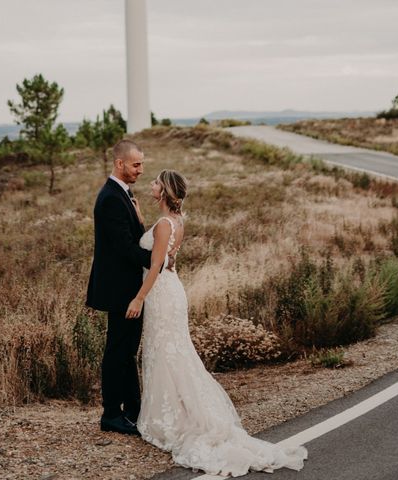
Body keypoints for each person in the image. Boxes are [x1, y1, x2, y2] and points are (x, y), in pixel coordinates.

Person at [127, 169, 308, 477]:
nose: (151, 184)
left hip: (159, 293)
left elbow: (156, 264)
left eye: (156, 182)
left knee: (167, 354)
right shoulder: (174, 222)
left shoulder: (163, 226)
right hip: (172, 292)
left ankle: (174, 419)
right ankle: (178, 412)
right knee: (172, 353)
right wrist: (141, 218)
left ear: (165, 191)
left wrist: (138, 299)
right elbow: (161, 250)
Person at [86, 139, 151, 436]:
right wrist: (158, 261)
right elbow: (125, 247)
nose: (140, 169)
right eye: (136, 164)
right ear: (120, 164)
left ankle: (133, 409)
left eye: (141, 164)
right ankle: (111, 413)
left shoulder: (122, 194)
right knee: (117, 352)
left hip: (126, 286)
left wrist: (139, 219)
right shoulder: (111, 198)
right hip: (119, 289)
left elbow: (132, 236)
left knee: (125, 351)